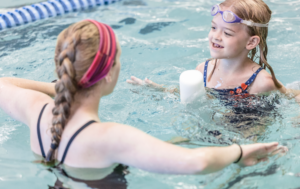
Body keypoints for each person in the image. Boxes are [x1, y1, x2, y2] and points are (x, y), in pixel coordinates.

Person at [0, 19, 286, 184]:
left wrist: (64, 86)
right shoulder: (111, 137)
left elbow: (3, 83)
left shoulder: (37, 112)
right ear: (110, 73)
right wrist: (239, 151)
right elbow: (197, 163)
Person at [127, 0, 300, 99]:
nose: (216, 36)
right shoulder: (203, 69)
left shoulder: (261, 82)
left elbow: (289, 96)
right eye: (213, 28)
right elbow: (190, 96)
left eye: (227, 33)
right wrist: (157, 90)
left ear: (251, 42)